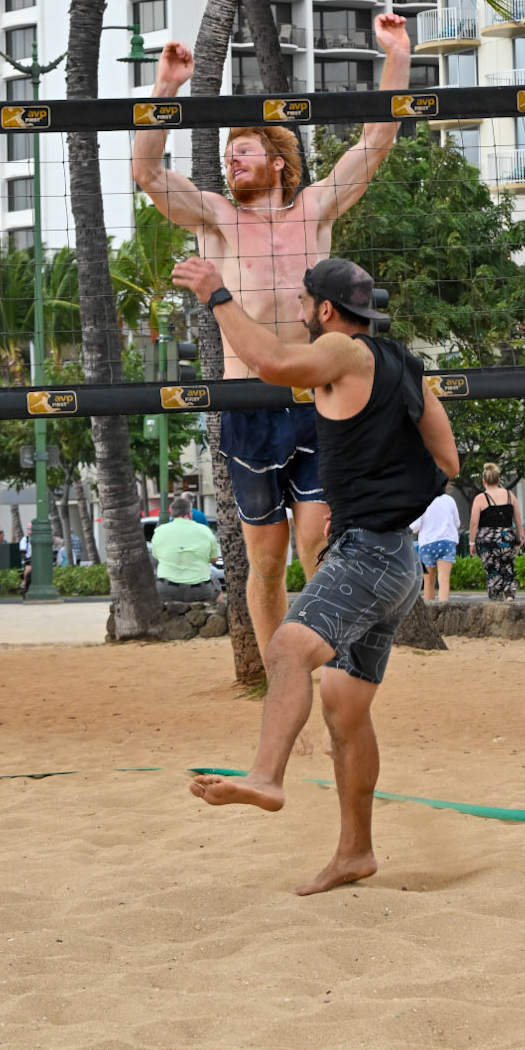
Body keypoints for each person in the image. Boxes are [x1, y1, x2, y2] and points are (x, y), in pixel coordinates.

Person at [131, 15, 412, 665]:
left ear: (278, 162)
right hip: (248, 401)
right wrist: (164, 87)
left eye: (243, 151)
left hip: (317, 395)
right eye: (229, 153)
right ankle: (279, 672)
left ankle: (330, 661)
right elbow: (147, 174)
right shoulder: (217, 217)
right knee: (265, 560)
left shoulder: (313, 208)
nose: (231, 159)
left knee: (319, 542)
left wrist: (395, 56)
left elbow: (375, 142)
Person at [177, 254, 458, 896]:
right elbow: (446, 456)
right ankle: (355, 852)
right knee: (345, 708)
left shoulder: (341, 350)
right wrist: (377, 494)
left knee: (285, 649)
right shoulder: (404, 364)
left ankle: (267, 775)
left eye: (305, 302)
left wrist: (217, 293)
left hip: (366, 557)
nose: (299, 311)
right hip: (398, 558)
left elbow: (273, 364)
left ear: (327, 310)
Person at [150, 494, 220, 604]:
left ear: (172, 514)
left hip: (167, 588)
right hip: (199, 589)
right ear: (189, 513)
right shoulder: (204, 530)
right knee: (217, 587)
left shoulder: (159, 531)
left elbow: (157, 555)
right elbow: (214, 558)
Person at [469, 464, 522, 601]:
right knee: (508, 566)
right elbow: (517, 517)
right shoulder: (510, 495)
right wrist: (520, 534)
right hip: (507, 537)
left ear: (483, 481)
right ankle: (509, 593)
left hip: (487, 540)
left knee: (492, 569)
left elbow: (474, 522)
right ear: (499, 479)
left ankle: (496, 597)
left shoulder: (480, 498)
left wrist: (472, 542)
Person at [411, 488, 460, 606]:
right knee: (444, 580)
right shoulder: (450, 500)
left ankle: (430, 615)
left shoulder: (422, 500)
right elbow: (457, 523)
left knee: (428, 582)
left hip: (427, 544)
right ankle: (443, 612)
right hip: (446, 542)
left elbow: (414, 526)